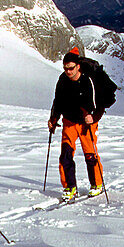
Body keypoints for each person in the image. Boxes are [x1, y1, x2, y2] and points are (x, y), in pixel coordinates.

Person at [48, 46, 106, 201]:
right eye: (65, 68)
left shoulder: (87, 80)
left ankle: (97, 184)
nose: (68, 71)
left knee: (90, 154)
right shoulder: (62, 80)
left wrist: (92, 117)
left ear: (78, 66)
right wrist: (53, 119)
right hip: (69, 122)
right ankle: (69, 187)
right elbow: (58, 101)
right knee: (65, 154)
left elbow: (96, 104)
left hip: (86, 124)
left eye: (71, 68)